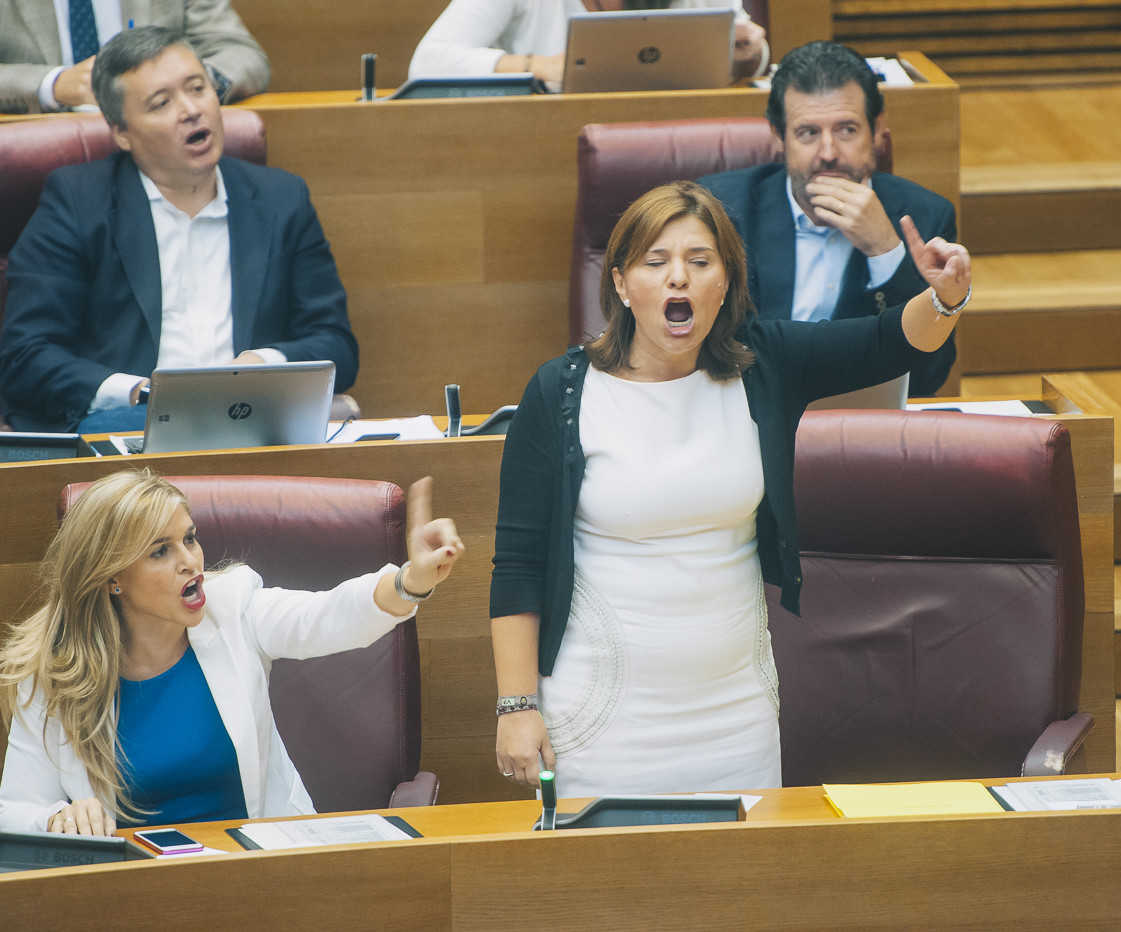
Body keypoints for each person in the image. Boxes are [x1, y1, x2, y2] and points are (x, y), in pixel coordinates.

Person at [489, 180, 970, 796]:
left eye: (699, 262)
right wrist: (515, 705)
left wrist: (946, 300)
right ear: (619, 284)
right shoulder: (560, 393)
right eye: (655, 263)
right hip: (601, 715)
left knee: (742, 889)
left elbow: (889, 343)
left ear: (725, 282)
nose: (678, 280)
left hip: (733, 716)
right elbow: (519, 563)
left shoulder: (762, 364)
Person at [0, 468, 464, 834]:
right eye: (161, 551)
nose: (190, 562)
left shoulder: (234, 607)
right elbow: (16, 811)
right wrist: (58, 820)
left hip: (257, 878)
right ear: (112, 578)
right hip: (129, 897)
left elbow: (328, 616)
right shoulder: (54, 672)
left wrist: (410, 581)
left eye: (189, 538)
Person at [0, 26, 355, 434]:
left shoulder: (280, 199)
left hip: (252, 424)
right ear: (122, 133)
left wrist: (262, 365)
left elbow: (335, 343)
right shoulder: (77, 203)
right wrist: (143, 393)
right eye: (161, 103)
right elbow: (25, 357)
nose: (191, 110)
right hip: (131, 435)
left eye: (198, 88)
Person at [699, 41, 959, 395]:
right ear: (778, 136)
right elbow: (706, 352)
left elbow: (928, 378)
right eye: (808, 133)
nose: (828, 153)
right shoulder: (722, 209)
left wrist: (885, 252)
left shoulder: (923, 217)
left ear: (877, 130)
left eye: (846, 130)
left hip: (862, 429)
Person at [0, 0, 270, 114]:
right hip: (39, 167)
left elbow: (242, 55)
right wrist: (54, 85)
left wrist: (178, 87)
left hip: (163, 161)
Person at [408, 0, 768, 90]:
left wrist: (749, 55)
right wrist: (539, 66)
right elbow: (428, 62)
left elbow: (753, 48)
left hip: (672, 142)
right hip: (548, 146)